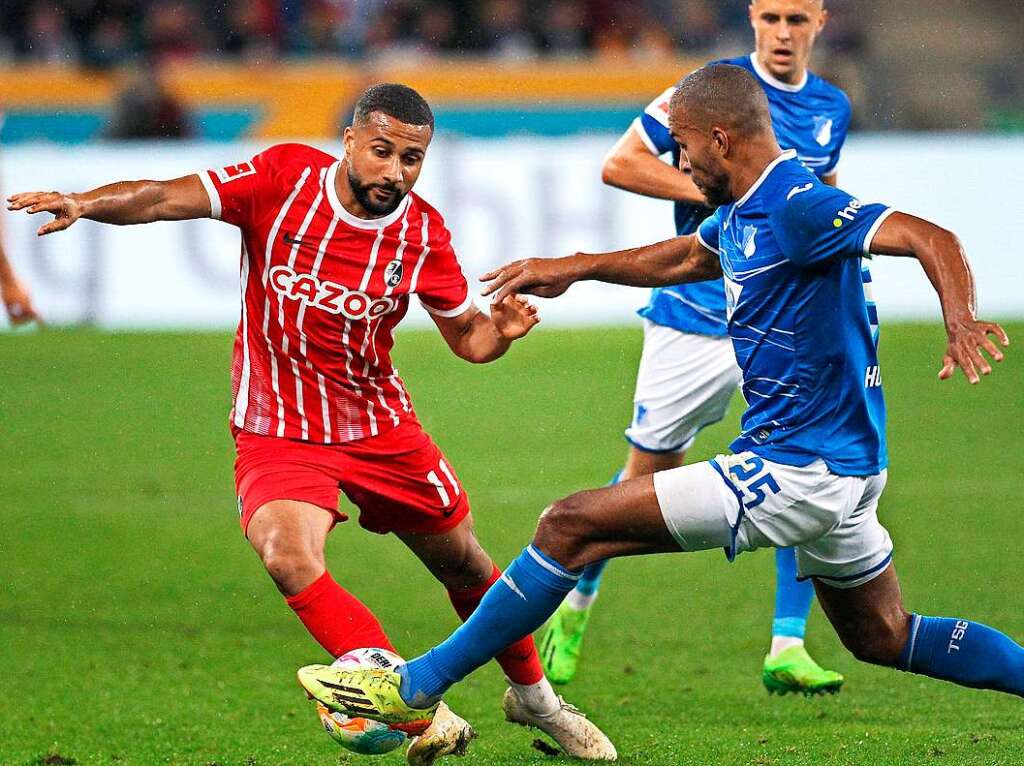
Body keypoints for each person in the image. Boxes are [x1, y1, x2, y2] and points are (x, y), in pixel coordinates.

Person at [295, 65, 1021, 735]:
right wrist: (575, 268)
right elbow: (686, 257)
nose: (679, 163)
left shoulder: (799, 204)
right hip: (849, 470)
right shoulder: (744, 211)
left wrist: (958, 317)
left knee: (570, 524)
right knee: (883, 636)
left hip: (800, 470)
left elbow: (929, 234)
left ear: (719, 137)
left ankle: (414, 688)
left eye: (681, 147)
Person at [7, 83, 615, 764]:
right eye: (382, 151)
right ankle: (412, 705)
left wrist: (500, 332)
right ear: (350, 139)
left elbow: (469, 340)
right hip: (277, 428)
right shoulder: (282, 178)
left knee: (464, 562)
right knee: (287, 555)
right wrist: (84, 204)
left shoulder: (422, 232)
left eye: (412, 159)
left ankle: (536, 699)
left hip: (380, 429)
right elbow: (162, 197)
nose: (395, 171)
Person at [541, 0, 852, 694]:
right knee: (644, 479)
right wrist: (724, 197)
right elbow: (620, 162)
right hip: (692, 314)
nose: (782, 33)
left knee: (806, 458)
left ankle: (787, 646)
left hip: (778, 319)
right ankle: (574, 610)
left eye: (796, 20)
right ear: (752, 18)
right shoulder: (707, 90)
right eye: (770, 17)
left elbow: (821, 198)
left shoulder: (832, 106)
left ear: (820, 23)